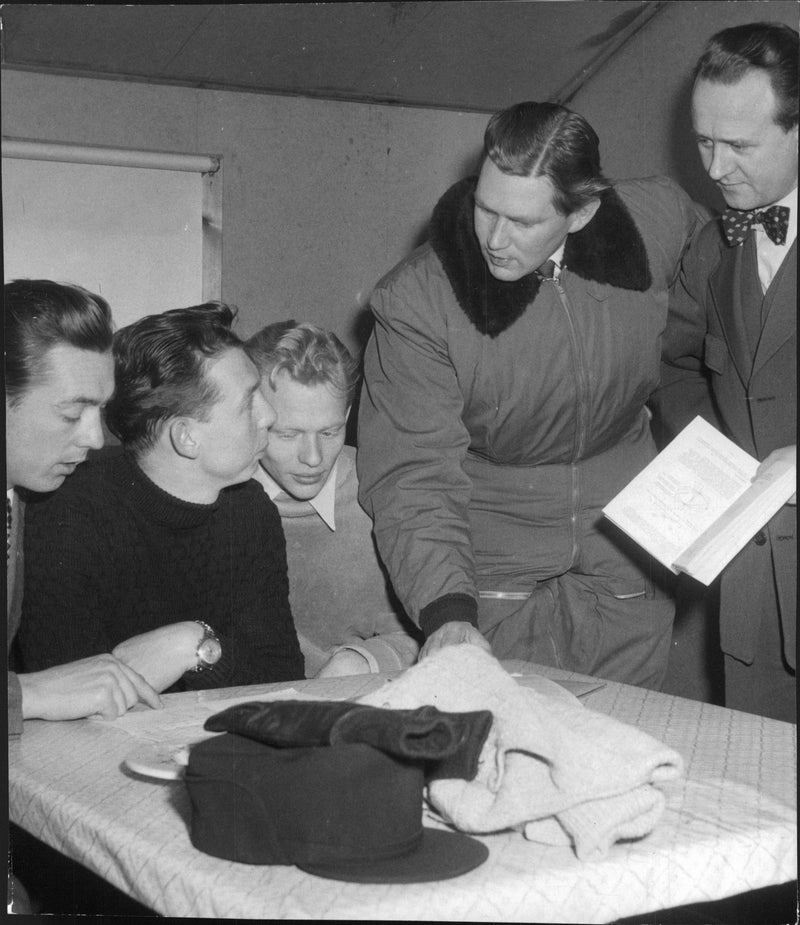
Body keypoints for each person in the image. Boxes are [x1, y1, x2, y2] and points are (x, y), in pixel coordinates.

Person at [357, 101, 706, 689]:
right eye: (484, 209)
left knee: (622, 732)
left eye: (521, 223)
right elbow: (412, 473)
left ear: (582, 212)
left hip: (627, 529)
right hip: (493, 536)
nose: (494, 240)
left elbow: (738, 291)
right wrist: (445, 610)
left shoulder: (657, 221)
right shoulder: (417, 301)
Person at [17, 302, 305, 692]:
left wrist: (196, 647)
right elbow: (71, 698)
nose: (269, 415)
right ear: (186, 437)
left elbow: (281, 678)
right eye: (247, 402)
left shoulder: (250, 508)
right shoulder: (65, 514)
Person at [654, 22, 797, 722]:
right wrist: (718, 465)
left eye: (739, 145)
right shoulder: (713, 246)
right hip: (750, 610)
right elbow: (675, 368)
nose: (713, 167)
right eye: (704, 140)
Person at [6, 279, 162, 733]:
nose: (95, 439)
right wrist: (30, 693)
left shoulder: (18, 497)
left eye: (99, 413)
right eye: (73, 414)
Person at [245, 321, 421, 678]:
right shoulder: (215, 496)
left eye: (329, 431)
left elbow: (417, 630)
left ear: (346, 416)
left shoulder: (381, 487)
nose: (312, 458)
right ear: (251, 416)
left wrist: (363, 660)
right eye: (287, 433)